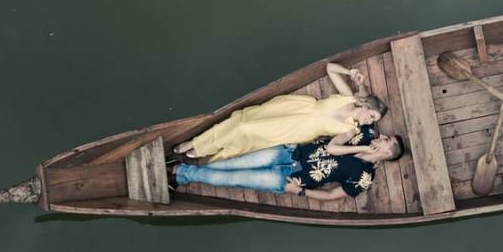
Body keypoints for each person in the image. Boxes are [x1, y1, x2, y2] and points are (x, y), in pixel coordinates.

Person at [172, 63, 387, 162]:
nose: (369, 121)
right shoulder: (348, 96)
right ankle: (198, 144)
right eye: (372, 115)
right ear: (368, 106)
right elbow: (331, 68)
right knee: (240, 119)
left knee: (245, 129)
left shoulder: (350, 129)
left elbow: (332, 148)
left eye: (373, 120)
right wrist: (349, 71)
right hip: (293, 108)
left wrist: (364, 147)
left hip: (295, 129)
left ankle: (199, 146)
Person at [171, 126, 404, 202]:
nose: (382, 137)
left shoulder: (364, 177)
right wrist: (361, 147)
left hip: (288, 180)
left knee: (232, 178)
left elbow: (333, 195)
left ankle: (181, 171)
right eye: (386, 136)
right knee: (232, 164)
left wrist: (300, 192)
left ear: (387, 153)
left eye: (387, 141)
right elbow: (334, 144)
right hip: (289, 153)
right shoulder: (365, 134)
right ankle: (184, 174)